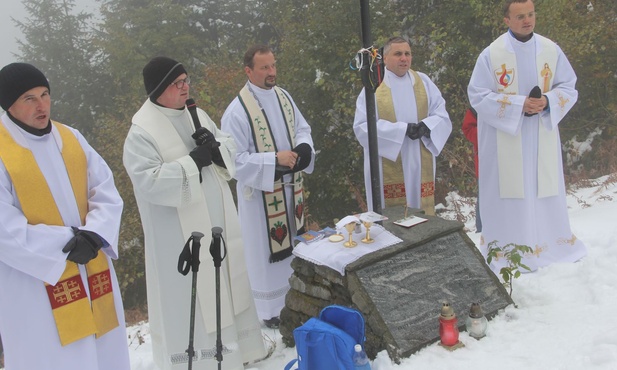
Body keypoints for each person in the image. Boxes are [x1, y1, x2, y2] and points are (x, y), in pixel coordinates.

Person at [123, 56, 266, 369]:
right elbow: (148, 181)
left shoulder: (195, 113)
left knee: (228, 283)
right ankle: (201, 361)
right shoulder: (141, 133)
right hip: (180, 238)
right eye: (178, 83)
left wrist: (215, 148)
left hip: (219, 226)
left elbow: (226, 145)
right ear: (160, 88)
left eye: (186, 80)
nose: (186, 86)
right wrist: (192, 163)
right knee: (195, 294)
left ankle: (239, 352)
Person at [0, 63, 129, 369]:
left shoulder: (70, 137)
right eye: (29, 98)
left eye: (45, 94)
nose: (42, 105)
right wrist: (67, 243)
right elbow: (5, 228)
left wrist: (95, 233)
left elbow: (106, 191)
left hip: (92, 268)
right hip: (36, 282)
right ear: (8, 104)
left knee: (105, 353)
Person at [467, 0, 586, 273]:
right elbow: (478, 96)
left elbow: (568, 86)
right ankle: (508, 249)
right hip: (506, 138)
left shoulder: (550, 49)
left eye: (530, 14)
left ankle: (551, 245)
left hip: (540, 135)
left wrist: (547, 100)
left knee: (542, 185)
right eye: (520, 16)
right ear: (506, 20)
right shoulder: (491, 54)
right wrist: (520, 105)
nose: (527, 20)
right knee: (510, 191)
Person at [221, 45, 315, 328]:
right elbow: (233, 160)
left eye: (273, 65)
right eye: (264, 67)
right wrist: (274, 159)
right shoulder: (236, 111)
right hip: (261, 198)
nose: (272, 72)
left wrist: (303, 148)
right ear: (248, 71)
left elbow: (303, 128)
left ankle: (296, 296)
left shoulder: (284, 97)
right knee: (265, 254)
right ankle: (270, 310)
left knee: (294, 246)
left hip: (290, 189)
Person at [353, 36, 452, 215]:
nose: (404, 58)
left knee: (421, 212)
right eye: (398, 54)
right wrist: (402, 130)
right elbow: (362, 126)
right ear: (385, 57)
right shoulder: (374, 86)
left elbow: (442, 114)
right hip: (388, 160)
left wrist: (426, 126)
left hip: (419, 157)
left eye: (407, 53)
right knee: (392, 218)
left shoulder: (423, 81)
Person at [461, 107, 482, 232]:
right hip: (487, 161)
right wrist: (489, 133)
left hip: (518, 160)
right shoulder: (479, 101)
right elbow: (468, 129)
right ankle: (482, 231)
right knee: (485, 198)